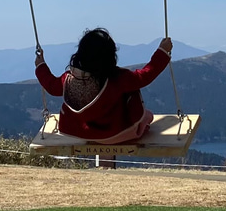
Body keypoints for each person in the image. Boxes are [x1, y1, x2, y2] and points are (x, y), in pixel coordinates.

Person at [34, 28, 173, 143]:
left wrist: (41, 66)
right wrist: (162, 52)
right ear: (110, 55)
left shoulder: (69, 79)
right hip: (116, 133)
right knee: (147, 116)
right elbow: (145, 76)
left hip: (81, 133)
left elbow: (51, 86)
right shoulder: (117, 78)